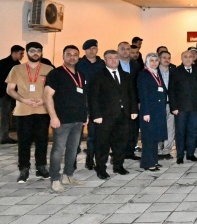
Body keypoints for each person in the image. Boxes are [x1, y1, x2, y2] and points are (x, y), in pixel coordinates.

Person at [5, 42, 53, 183]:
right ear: (27, 53)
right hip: (23, 111)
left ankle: (41, 168)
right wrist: (24, 100)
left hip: (42, 110)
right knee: (24, 142)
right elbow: (10, 89)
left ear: (41, 52)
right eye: (32, 50)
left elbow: (54, 89)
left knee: (42, 141)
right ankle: (24, 169)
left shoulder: (49, 69)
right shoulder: (16, 69)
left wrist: (44, 100)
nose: (35, 53)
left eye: (38, 50)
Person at [88, 50, 138, 179]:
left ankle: (118, 165)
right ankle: (101, 168)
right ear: (105, 60)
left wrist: (133, 110)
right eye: (110, 58)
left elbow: (132, 94)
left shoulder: (126, 75)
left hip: (123, 115)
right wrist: (96, 115)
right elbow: (93, 97)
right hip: (105, 117)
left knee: (121, 142)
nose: (113, 60)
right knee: (102, 144)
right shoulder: (98, 75)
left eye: (116, 58)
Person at [44, 45, 87, 192]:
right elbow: (47, 95)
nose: (72, 57)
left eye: (75, 54)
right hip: (61, 120)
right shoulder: (55, 73)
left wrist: (85, 115)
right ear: (63, 56)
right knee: (58, 150)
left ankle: (68, 175)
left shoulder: (81, 74)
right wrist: (53, 116)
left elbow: (83, 97)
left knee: (73, 149)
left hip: (78, 120)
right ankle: (55, 179)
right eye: (69, 54)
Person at [169, 51, 197, 164]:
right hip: (180, 108)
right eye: (185, 57)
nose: (188, 59)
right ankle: (180, 155)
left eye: (190, 57)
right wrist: (174, 107)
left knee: (193, 131)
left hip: (194, 107)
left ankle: (190, 154)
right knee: (180, 132)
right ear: (181, 58)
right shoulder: (176, 71)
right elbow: (172, 91)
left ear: (193, 58)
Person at [76, 39, 105, 170]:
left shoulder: (102, 63)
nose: (92, 51)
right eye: (89, 49)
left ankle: (90, 159)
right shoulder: (79, 63)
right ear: (85, 50)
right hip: (81, 101)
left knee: (94, 134)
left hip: (97, 102)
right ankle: (72, 161)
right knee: (76, 133)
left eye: (94, 48)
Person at [137, 53, 168, 171]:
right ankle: (147, 163)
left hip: (158, 110)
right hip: (149, 111)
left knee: (155, 137)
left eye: (156, 60)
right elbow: (143, 95)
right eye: (152, 61)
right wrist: (145, 112)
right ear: (147, 62)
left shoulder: (156, 73)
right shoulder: (144, 74)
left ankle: (154, 160)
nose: (154, 63)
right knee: (148, 138)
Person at [117, 41, 141, 161]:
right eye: (123, 49)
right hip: (118, 101)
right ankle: (119, 153)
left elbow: (138, 84)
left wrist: (138, 100)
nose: (126, 51)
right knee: (120, 128)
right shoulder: (114, 64)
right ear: (118, 51)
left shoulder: (135, 64)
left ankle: (130, 151)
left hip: (133, 100)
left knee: (133, 127)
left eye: (128, 49)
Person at [0, 45, 24, 144]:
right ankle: (3, 136)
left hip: (14, 94)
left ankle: (14, 134)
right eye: (21, 53)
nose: (22, 55)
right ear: (14, 52)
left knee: (15, 115)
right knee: (5, 115)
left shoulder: (18, 64)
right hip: (4, 94)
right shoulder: (3, 63)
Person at [157, 51, 175, 160]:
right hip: (158, 105)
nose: (166, 59)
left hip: (171, 104)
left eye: (169, 57)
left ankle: (167, 150)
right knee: (159, 127)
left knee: (170, 128)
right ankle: (158, 150)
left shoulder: (174, 71)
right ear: (159, 58)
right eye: (164, 57)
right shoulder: (154, 72)